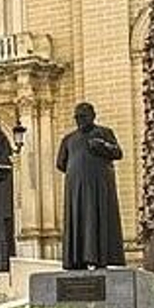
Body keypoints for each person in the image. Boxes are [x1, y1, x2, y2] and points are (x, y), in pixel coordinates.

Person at [55, 102, 126, 270]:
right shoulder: (68, 139)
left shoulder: (104, 133)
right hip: (76, 188)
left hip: (99, 185)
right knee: (78, 219)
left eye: (84, 117)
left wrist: (103, 146)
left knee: (98, 216)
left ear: (93, 116)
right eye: (78, 118)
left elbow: (118, 153)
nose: (80, 121)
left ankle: (100, 258)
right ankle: (77, 260)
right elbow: (60, 163)